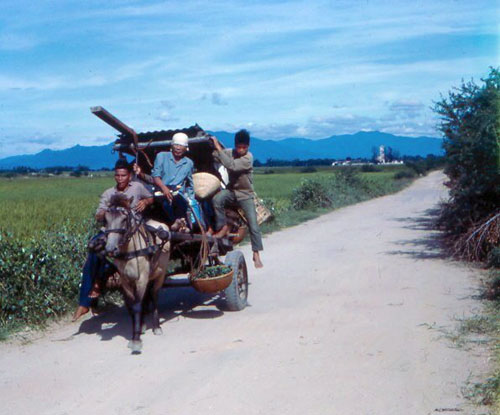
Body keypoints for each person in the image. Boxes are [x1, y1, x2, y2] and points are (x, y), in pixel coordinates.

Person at [72, 159, 154, 321]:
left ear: (129, 176)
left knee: (152, 244)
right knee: (93, 250)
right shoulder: (108, 193)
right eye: (117, 175)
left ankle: (102, 280)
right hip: (111, 230)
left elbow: (151, 197)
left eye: (123, 175)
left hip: (134, 229)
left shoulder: (137, 187)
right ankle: (85, 301)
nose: (120, 178)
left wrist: (145, 201)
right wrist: (106, 213)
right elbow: (99, 214)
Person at [210, 129, 264, 268]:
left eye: (244, 147)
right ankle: (222, 228)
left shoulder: (248, 158)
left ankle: (256, 253)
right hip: (231, 191)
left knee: (253, 224)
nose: (241, 150)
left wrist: (218, 149)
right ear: (235, 146)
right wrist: (214, 149)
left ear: (248, 147)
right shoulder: (230, 152)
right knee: (217, 200)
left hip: (245, 194)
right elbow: (217, 155)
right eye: (238, 147)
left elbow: (231, 166)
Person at [151, 132, 203, 230]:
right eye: (176, 145)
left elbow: (189, 183)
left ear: (186, 148)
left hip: (178, 194)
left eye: (181, 146)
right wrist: (164, 188)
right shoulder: (161, 156)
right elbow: (156, 176)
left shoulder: (188, 163)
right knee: (165, 203)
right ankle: (175, 222)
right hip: (161, 192)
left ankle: (182, 223)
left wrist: (191, 198)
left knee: (182, 201)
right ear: (172, 145)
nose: (178, 148)